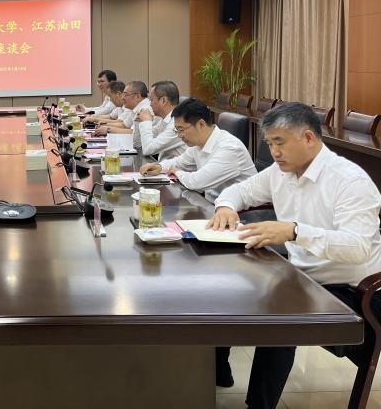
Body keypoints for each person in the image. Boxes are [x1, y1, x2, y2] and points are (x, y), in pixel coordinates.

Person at [209, 102, 381, 409]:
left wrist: (295, 231)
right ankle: (218, 368)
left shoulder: (349, 181)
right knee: (227, 285)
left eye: (280, 142)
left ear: (308, 138)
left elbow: (358, 248)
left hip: (353, 290)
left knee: (281, 313)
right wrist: (226, 206)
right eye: (269, 143)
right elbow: (241, 191)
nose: (274, 152)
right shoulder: (280, 172)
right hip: (303, 275)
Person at [139, 98, 256, 202]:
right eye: (176, 130)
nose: (179, 135)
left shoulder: (230, 148)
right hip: (213, 204)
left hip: (241, 212)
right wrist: (160, 167)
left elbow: (196, 182)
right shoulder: (198, 144)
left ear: (201, 124)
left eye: (181, 130)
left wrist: (176, 172)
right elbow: (179, 162)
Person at [136, 80, 187, 160]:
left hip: (176, 167)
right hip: (164, 165)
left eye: (151, 100)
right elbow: (138, 143)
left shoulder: (177, 123)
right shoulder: (164, 120)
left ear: (163, 100)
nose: (150, 104)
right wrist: (139, 122)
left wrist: (146, 121)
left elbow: (148, 149)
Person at [95, 81, 152, 148]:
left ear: (137, 96)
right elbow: (125, 125)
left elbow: (135, 138)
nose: (122, 98)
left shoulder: (144, 109)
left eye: (125, 95)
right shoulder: (135, 108)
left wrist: (108, 129)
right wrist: (105, 126)